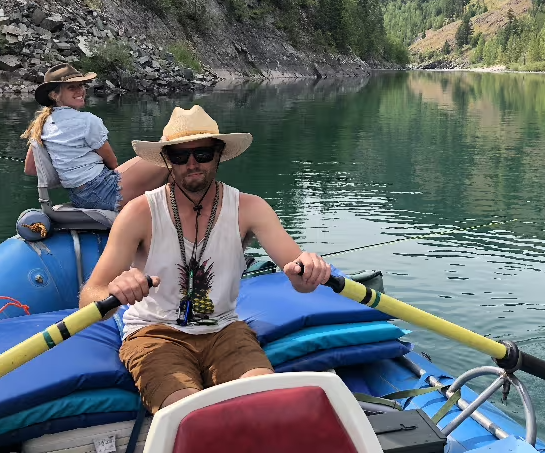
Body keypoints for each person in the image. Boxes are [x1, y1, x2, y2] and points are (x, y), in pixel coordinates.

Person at [79, 104, 332, 414]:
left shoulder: (250, 209)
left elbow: (301, 280)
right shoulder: (139, 213)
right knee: (188, 417)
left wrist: (308, 270)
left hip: (225, 330)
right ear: (167, 160)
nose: (191, 164)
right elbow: (90, 298)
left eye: (202, 154)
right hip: (154, 333)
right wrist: (116, 293)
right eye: (179, 156)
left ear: (219, 153)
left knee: (264, 405)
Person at [21, 64, 169, 211]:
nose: (80, 91)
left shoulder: (41, 125)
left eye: (81, 85)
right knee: (168, 154)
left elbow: (31, 169)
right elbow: (111, 162)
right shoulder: (87, 120)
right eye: (72, 87)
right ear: (54, 95)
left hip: (78, 196)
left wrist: (68, 168)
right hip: (104, 192)